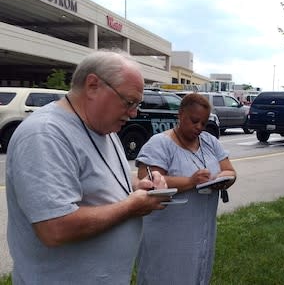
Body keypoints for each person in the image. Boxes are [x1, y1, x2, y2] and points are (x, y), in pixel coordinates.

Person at [6, 49, 171, 284]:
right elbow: (55, 227)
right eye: (129, 102)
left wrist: (140, 184)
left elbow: (104, 178)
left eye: (137, 104)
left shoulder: (105, 129)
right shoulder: (45, 134)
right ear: (93, 85)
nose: (133, 113)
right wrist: (131, 207)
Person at [135, 93, 236, 284]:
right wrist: (191, 181)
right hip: (168, 234)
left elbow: (230, 170)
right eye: (194, 121)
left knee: (197, 274)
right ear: (180, 114)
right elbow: (148, 181)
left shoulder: (209, 141)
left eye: (204, 123)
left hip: (202, 230)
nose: (199, 127)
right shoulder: (160, 143)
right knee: (166, 276)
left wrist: (222, 179)